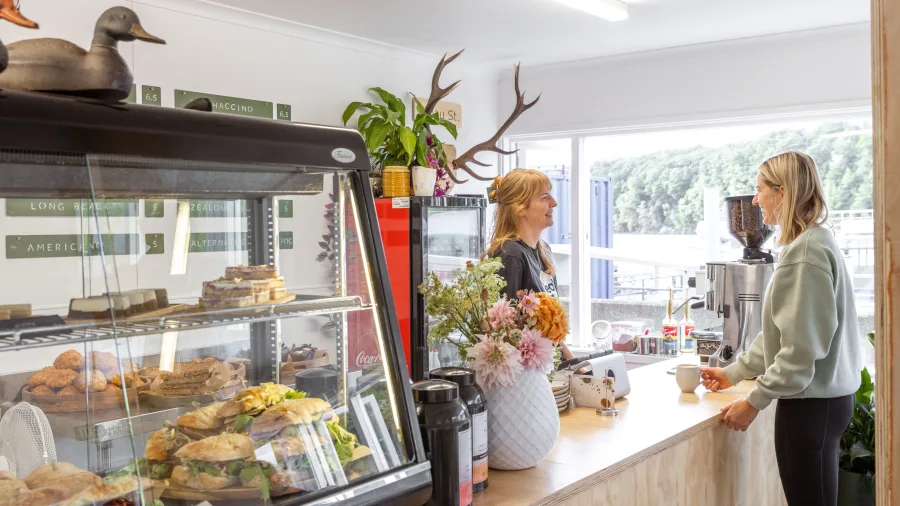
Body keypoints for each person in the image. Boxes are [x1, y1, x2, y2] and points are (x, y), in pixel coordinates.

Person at [700, 151, 862, 506]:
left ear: (784, 192)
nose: (755, 200)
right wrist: (734, 372)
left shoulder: (806, 253)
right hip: (824, 401)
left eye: (760, 190)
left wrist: (754, 401)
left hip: (811, 407)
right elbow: (779, 333)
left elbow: (800, 351)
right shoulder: (814, 241)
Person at [484, 168, 578, 365]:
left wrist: (577, 368)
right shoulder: (510, 255)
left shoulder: (544, 251)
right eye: (544, 197)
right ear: (520, 209)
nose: (554, 203)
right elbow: (504, 334)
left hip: (545, 370)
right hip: (524, 378)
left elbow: (550, 333)